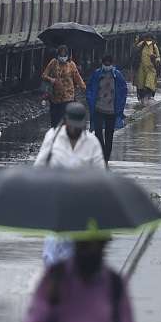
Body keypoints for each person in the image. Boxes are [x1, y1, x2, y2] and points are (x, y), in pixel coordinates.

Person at [33, 102, 105, 266]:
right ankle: (51, 275)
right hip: (56, 199)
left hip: (82, 202)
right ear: (65, 122)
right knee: (52, 246)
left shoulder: (92, 142)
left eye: (79, 127)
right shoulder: (52, 137)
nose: (76, 131)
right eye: (73, 126)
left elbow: (100, 173)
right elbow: (39, 166)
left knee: (74, 247)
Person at [85, 55, 128, 164]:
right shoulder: (97, 74)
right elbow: (89, 88)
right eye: (105, 63)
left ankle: (105, 159)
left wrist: (120, 108)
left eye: (109, 63)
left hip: (112, 111)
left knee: (109, 136)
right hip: (98, 109)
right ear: (102, 63)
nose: (107, 65)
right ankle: (102, 153)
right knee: (98, 133)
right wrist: (90, 101)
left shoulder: (117, 75)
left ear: (112, 64)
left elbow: (123, 91)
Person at [41, 45, 86, 127]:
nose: (62, 57)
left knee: (65, 117)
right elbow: (44, 75)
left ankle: (65, 135)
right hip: (55, 96)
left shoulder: (71, 64)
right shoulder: (53, 62)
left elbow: (77, 77)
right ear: (57, 55)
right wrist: (52, 80)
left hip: (68, 95)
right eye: (60, 55)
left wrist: (83, 87)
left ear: (67, 56)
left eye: (64, 55)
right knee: (55, 119)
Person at [133, 34, 161, 106]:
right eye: (147, 38)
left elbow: (158, 57)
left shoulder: (154, 46)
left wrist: (156, 59)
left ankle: (148, 97)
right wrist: (136, 42)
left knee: (149, 84)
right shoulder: (141, 45)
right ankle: (142, 98)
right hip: (141, 68)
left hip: (151, 68)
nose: (148, 40)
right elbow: (135, 50)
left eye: (150, 39)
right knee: (140, 84)